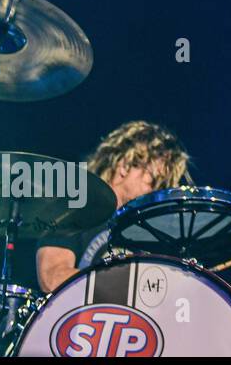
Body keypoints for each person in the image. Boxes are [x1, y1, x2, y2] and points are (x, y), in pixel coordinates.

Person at [35, 120, 191, 292]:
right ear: (125, 166)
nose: (157, 193)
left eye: (163, 187)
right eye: (153, 182)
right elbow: (53, 278)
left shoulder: (154, 229)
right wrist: (122, 287)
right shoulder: (72, 209)